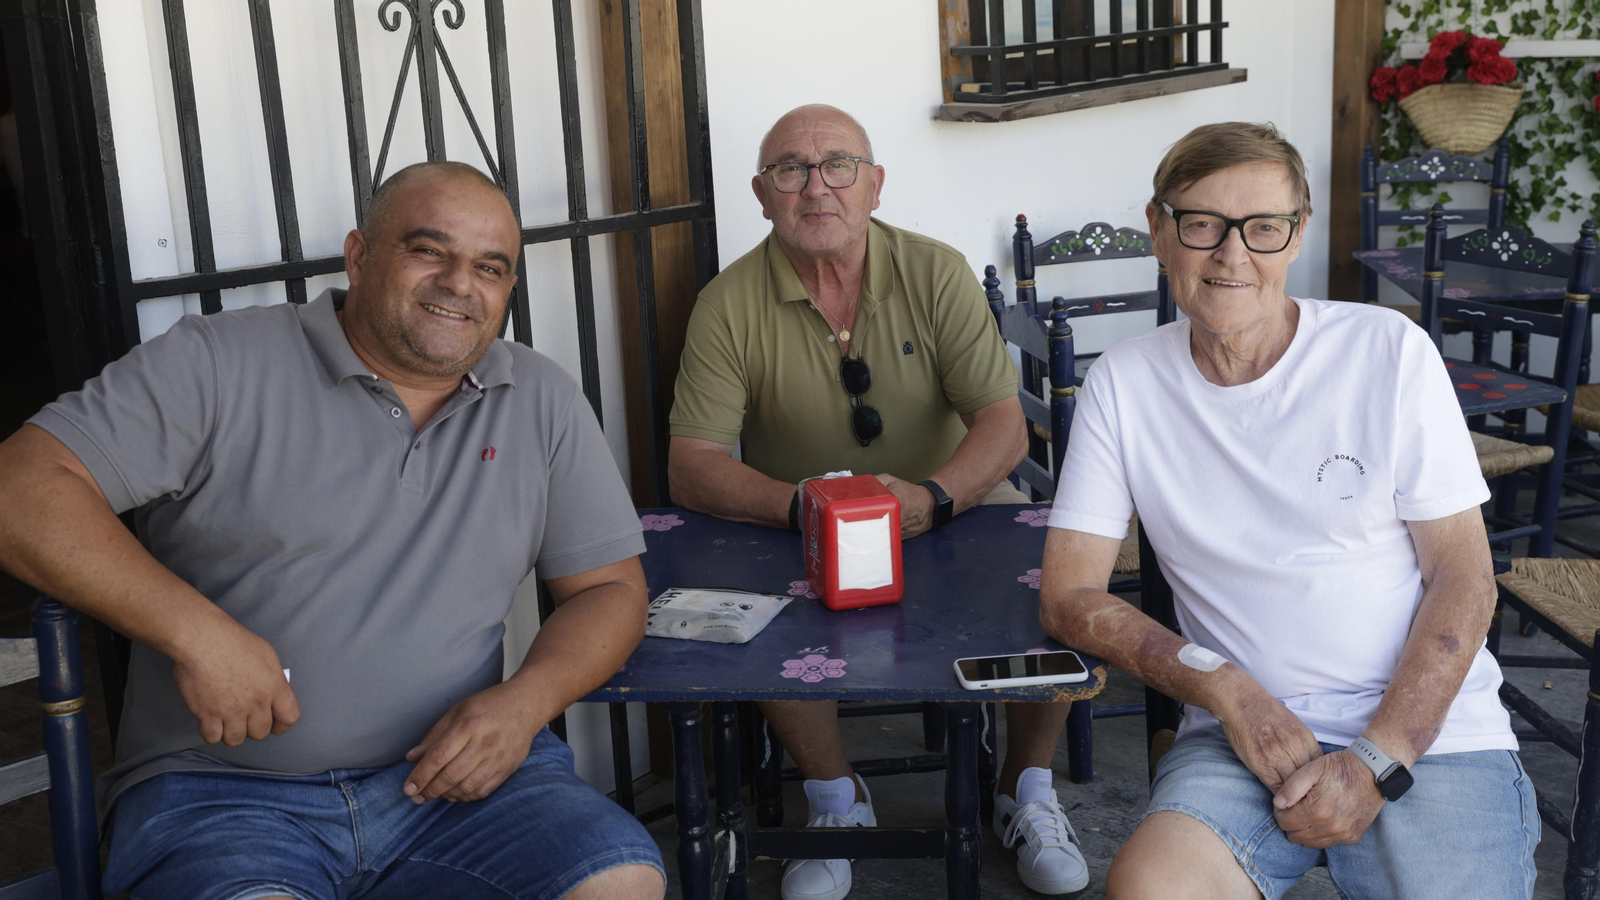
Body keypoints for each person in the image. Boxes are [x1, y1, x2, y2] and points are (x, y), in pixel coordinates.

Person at [0, 162, 665, 900]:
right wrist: (196, 632)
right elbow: (19, 490)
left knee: (621, 879)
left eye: (489, 267)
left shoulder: (539, 396)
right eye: (428, 250)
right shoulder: (220, 361)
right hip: (223, 796)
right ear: (358, 256)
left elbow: (610, 590)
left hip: (452, 784)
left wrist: (527, 701)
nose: (458, 283)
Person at [1038, 122, 1534, 900]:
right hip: (1242, 737)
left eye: (1263, 228)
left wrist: (1380, 756)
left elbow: (1464, 580)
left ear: (1296, 235)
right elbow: (1069, 594)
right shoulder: (1125, 384)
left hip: (1428, 732)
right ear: (1159, 231)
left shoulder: (1386, 351)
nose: (1232, 256)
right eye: (1202, 224)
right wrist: (1224, 689)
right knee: (1151, 889)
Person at [668, 104, 1089, 899]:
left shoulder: (935, 270)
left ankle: (1025, 789)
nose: (816, 187)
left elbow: (1002, 426)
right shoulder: (728, 302)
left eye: (838, 166)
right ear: (762, 193)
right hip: (796, 519)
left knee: (1062, 586)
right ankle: (835, 796)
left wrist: (934, 497)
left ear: (875, 185)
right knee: (756, 596)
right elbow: (691, 467)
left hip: (948, 493)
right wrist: (804, 509)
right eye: (791, 169)